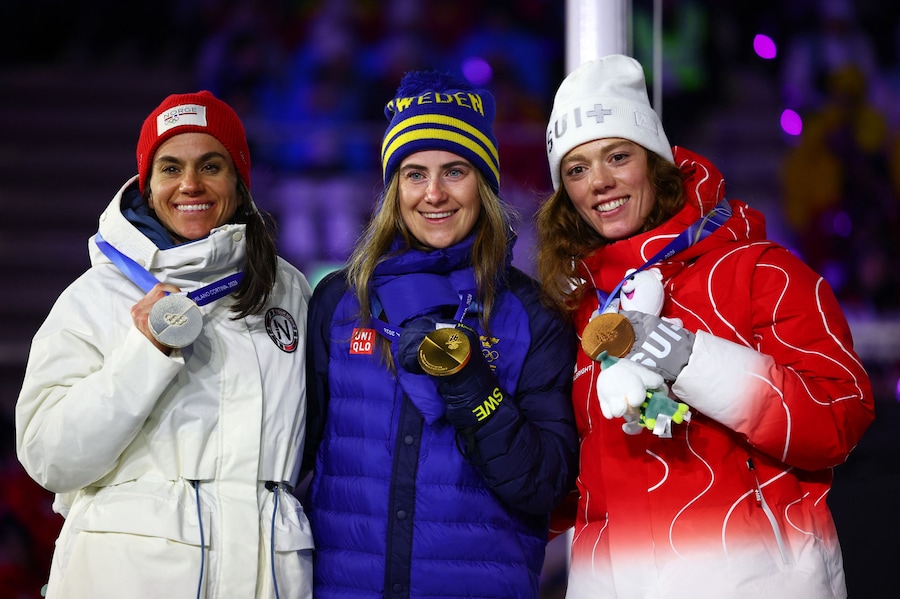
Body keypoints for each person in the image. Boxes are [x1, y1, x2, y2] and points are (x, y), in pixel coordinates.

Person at [535, 54, 875, 598]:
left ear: (655, 162)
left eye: (617, 156)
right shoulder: (578, 312)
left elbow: (839, 416)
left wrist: (683, 356)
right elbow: (558, 490)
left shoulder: (761, 271)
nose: (599, 182)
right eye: (576, 169)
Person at [15, 91, 313, 598]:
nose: (190, 184)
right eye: (170, 168)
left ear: (239, 184)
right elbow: (50, 458)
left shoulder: (288, 291)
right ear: (148, 187)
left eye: (210, 166)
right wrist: (145, 352)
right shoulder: (97, 296)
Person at [301, 70, 579, 598]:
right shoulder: (341, 302)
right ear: (392, 189)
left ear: (485, 183)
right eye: (413, 173)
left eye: (455, 171)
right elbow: (295, 463)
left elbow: (541, 485)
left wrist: (470, 380)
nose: (433, 194)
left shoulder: (532, 316)